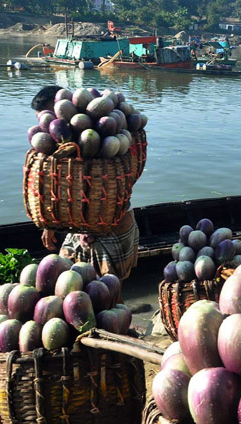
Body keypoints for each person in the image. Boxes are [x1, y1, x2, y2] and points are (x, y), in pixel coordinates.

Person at [32, 86, 140, 281]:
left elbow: (95, 192)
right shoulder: (58, 146)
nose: (47, 124)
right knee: (70, 284)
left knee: (109, 292)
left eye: (51, 115)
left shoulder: (93, 142)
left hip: (110, 223)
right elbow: (58, 188)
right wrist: (50, 223)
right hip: (80, 225)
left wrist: (87, 229)